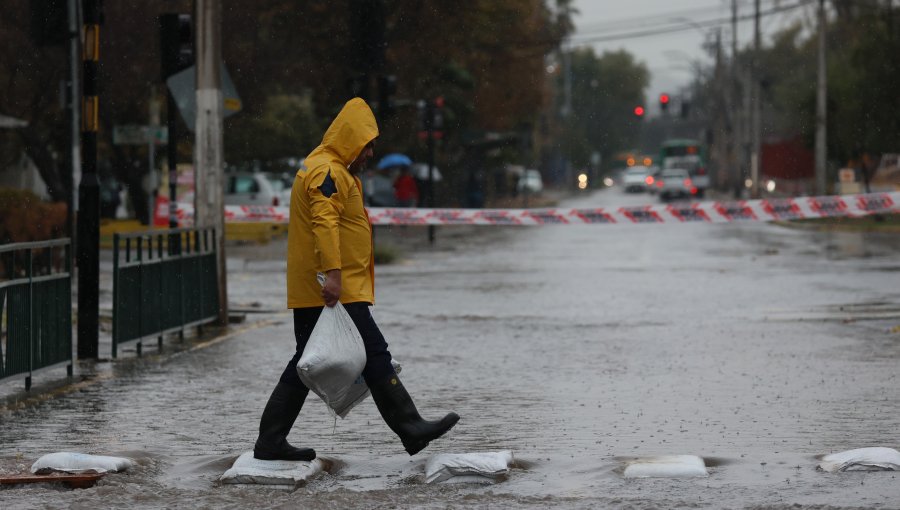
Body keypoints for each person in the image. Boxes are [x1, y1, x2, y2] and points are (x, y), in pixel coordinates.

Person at [253, 98, 459, 461]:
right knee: (374, 352)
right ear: (350, 139)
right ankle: (410, 427)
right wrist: (333, 274)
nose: (370, 154)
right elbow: (324, 223)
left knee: (307, 361)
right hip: (331, 289)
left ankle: (270, 440)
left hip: (330, 287)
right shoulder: (326, 172)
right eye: (367, 145)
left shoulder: (333, 170)